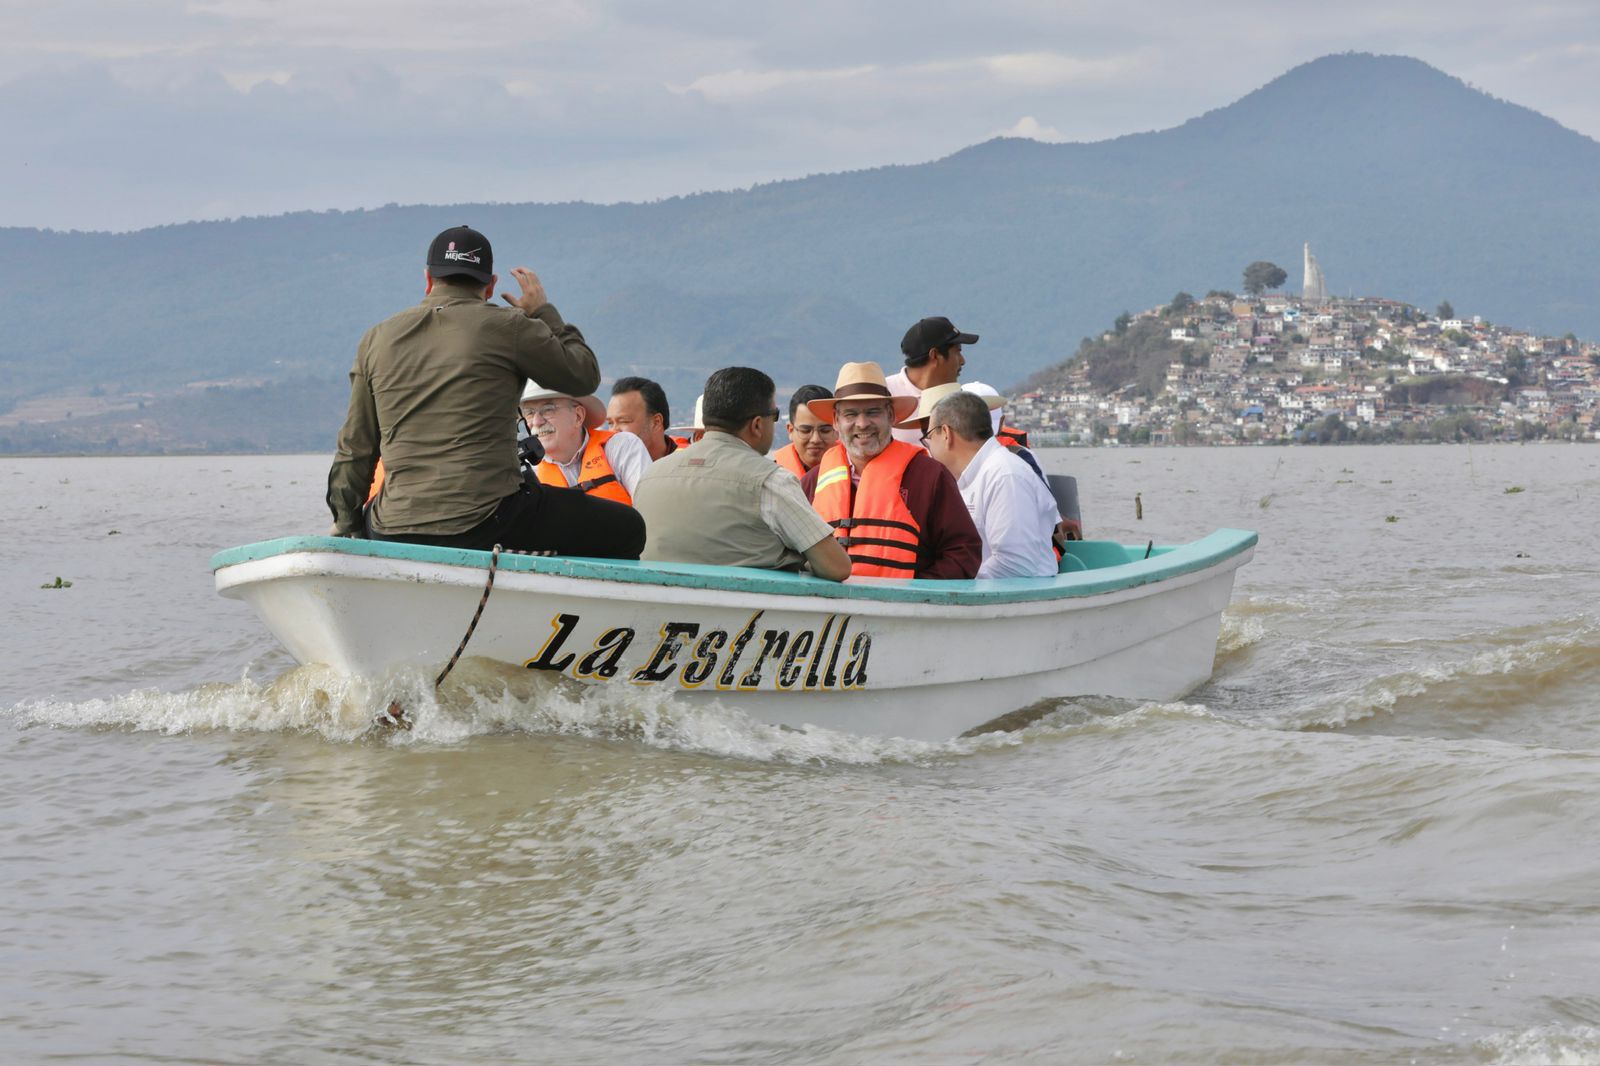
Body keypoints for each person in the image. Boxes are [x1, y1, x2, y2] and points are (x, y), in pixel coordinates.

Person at [326, 224, 643, 559]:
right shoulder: (510, 326)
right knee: (629, 528)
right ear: (490, 286)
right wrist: (542, 312)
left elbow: (355, 446)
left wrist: (348, 524)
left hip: (392, 526)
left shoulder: (376, 340)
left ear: (428, 279)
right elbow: (584, 376)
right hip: (488, 521)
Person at [634, 368, 851, 581]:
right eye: (774, 415)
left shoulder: (650, 476)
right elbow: (837, 567)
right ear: (757, 424)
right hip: (743, 604)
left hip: (654, 602)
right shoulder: (771, 481)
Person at [799, 362, 981, 579]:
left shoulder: (930, 476)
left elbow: (964, 553)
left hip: (904, 600)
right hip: (828, 601)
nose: (862, 424)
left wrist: (916, 589)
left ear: (891, 415)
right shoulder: (811, 482)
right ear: (836, 422)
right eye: (850, 414)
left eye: (873, 412)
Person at [923, 391, 1060, 579]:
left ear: (946, 434)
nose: (928, 447)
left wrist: (953, 582)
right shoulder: (975, 475)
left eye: (929, 436)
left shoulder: (1005, 475)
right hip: (988, 591)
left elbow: (1017, 564)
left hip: (1018, 594)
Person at [523, 382, 651, 504]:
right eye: (529, 413)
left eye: (548, 410)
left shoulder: (622, 447)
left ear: (578, 416)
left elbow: (650, 509)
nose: (536, 422)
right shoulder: (529, 475)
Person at [886, 316, 978, 444]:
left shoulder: (956, 398)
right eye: (957, 352)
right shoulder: (884, 396)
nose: (962, 361)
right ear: (934, 355)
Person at [607, 376, 686, 460]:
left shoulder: (688, 463)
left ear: (656, 422)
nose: (613, 431)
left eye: (624, 421)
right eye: (610, 423)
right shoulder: (604, 464)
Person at [772, 384, 837, 476]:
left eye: (825, 430)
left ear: (837, 430)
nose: (815, 440)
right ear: (790, 431)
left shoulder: (855, 475)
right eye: (806, 431)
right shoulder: (770, 478)